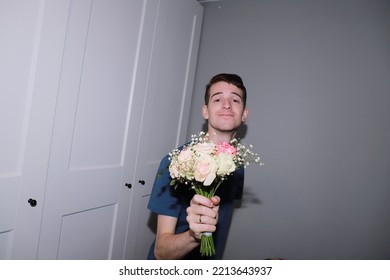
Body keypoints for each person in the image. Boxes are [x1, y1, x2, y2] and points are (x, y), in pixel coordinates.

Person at [147, 73, 249, 259]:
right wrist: (195, 235)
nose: (226, 104)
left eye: (235, 100)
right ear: (205, 111)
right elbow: (160, 252)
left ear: (244, 114)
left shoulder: (238, 165)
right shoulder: (176, 163)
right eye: (217, 99)